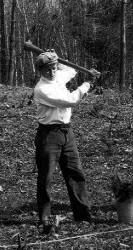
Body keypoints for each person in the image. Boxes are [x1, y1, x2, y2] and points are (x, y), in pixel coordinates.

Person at [33, 52, 100, 234]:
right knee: (46, 178)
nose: (53, 72)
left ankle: (83, 214)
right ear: (40, 71)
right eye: (48, 69)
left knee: (75, 173)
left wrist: (56, 57)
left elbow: (70, 70)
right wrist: (89, 83)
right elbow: (70, 100)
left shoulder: (57, 76)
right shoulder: (42, 89)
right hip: (49, 135)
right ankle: (45, 218)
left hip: (66, 132)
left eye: (54, 68)